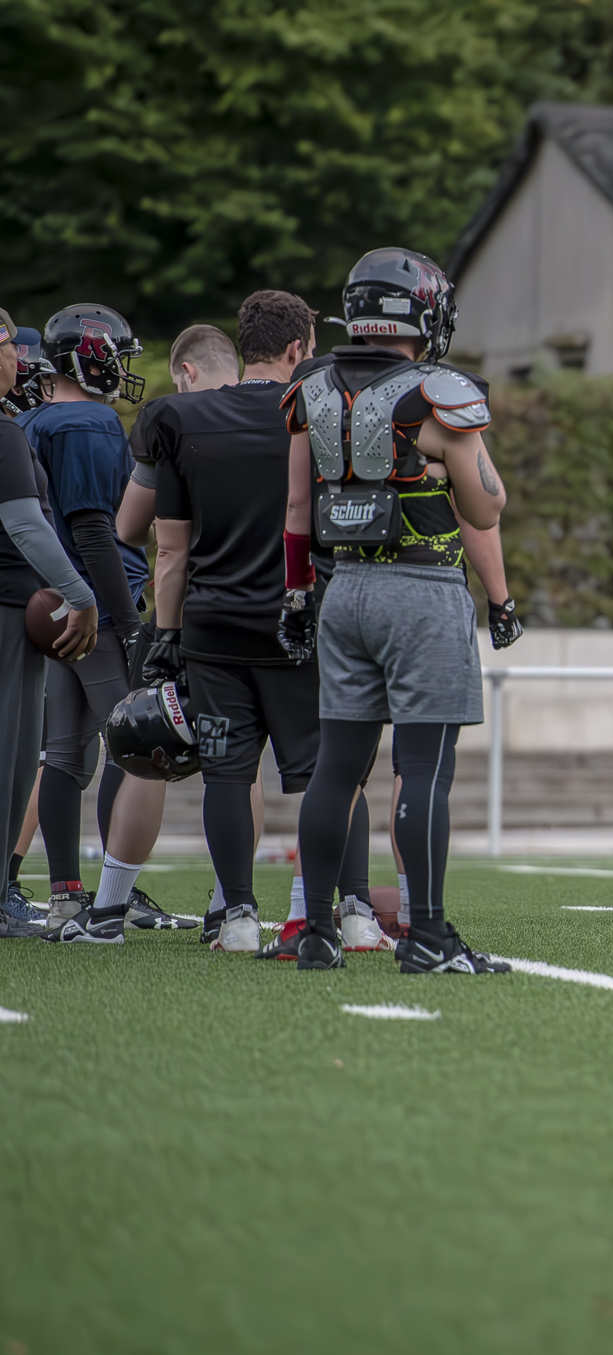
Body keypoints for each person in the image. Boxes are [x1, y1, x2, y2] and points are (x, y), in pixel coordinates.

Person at [282, 247, 510, 973]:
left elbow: (296, 509)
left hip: (341, 588)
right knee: (423, 768)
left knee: (337, 771)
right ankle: (429, 936)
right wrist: (444, 465)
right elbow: (486, 504)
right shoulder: (439, 393)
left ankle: (315, 929)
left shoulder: (311, 387)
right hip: (421, 592)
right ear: (421, 312)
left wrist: (296, 593)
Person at [147, 292, 372, 956]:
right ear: (300, 349)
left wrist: (167, 635)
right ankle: (353, 910)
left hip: (213, 625)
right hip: (298, 621)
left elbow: (169, 549)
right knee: (335, 774)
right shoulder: (317, 415)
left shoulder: (181, 418)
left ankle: (239, 916)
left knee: (226, 774)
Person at [20, 304, 166, 944]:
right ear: (94, 354)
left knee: (62, 756)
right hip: (94, 609)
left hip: (43, 607)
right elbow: (92, 529)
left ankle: (64, 895)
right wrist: (129, 621)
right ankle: (114, 895)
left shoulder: (28, 420)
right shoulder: (89, 419)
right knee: (131, 747)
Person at [0, 310, 97, 936]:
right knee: (11, 754)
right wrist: (79, 594)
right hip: (8, 611)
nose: (16, 356)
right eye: (9, 342)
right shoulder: (6, 432)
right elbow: (26, 523)